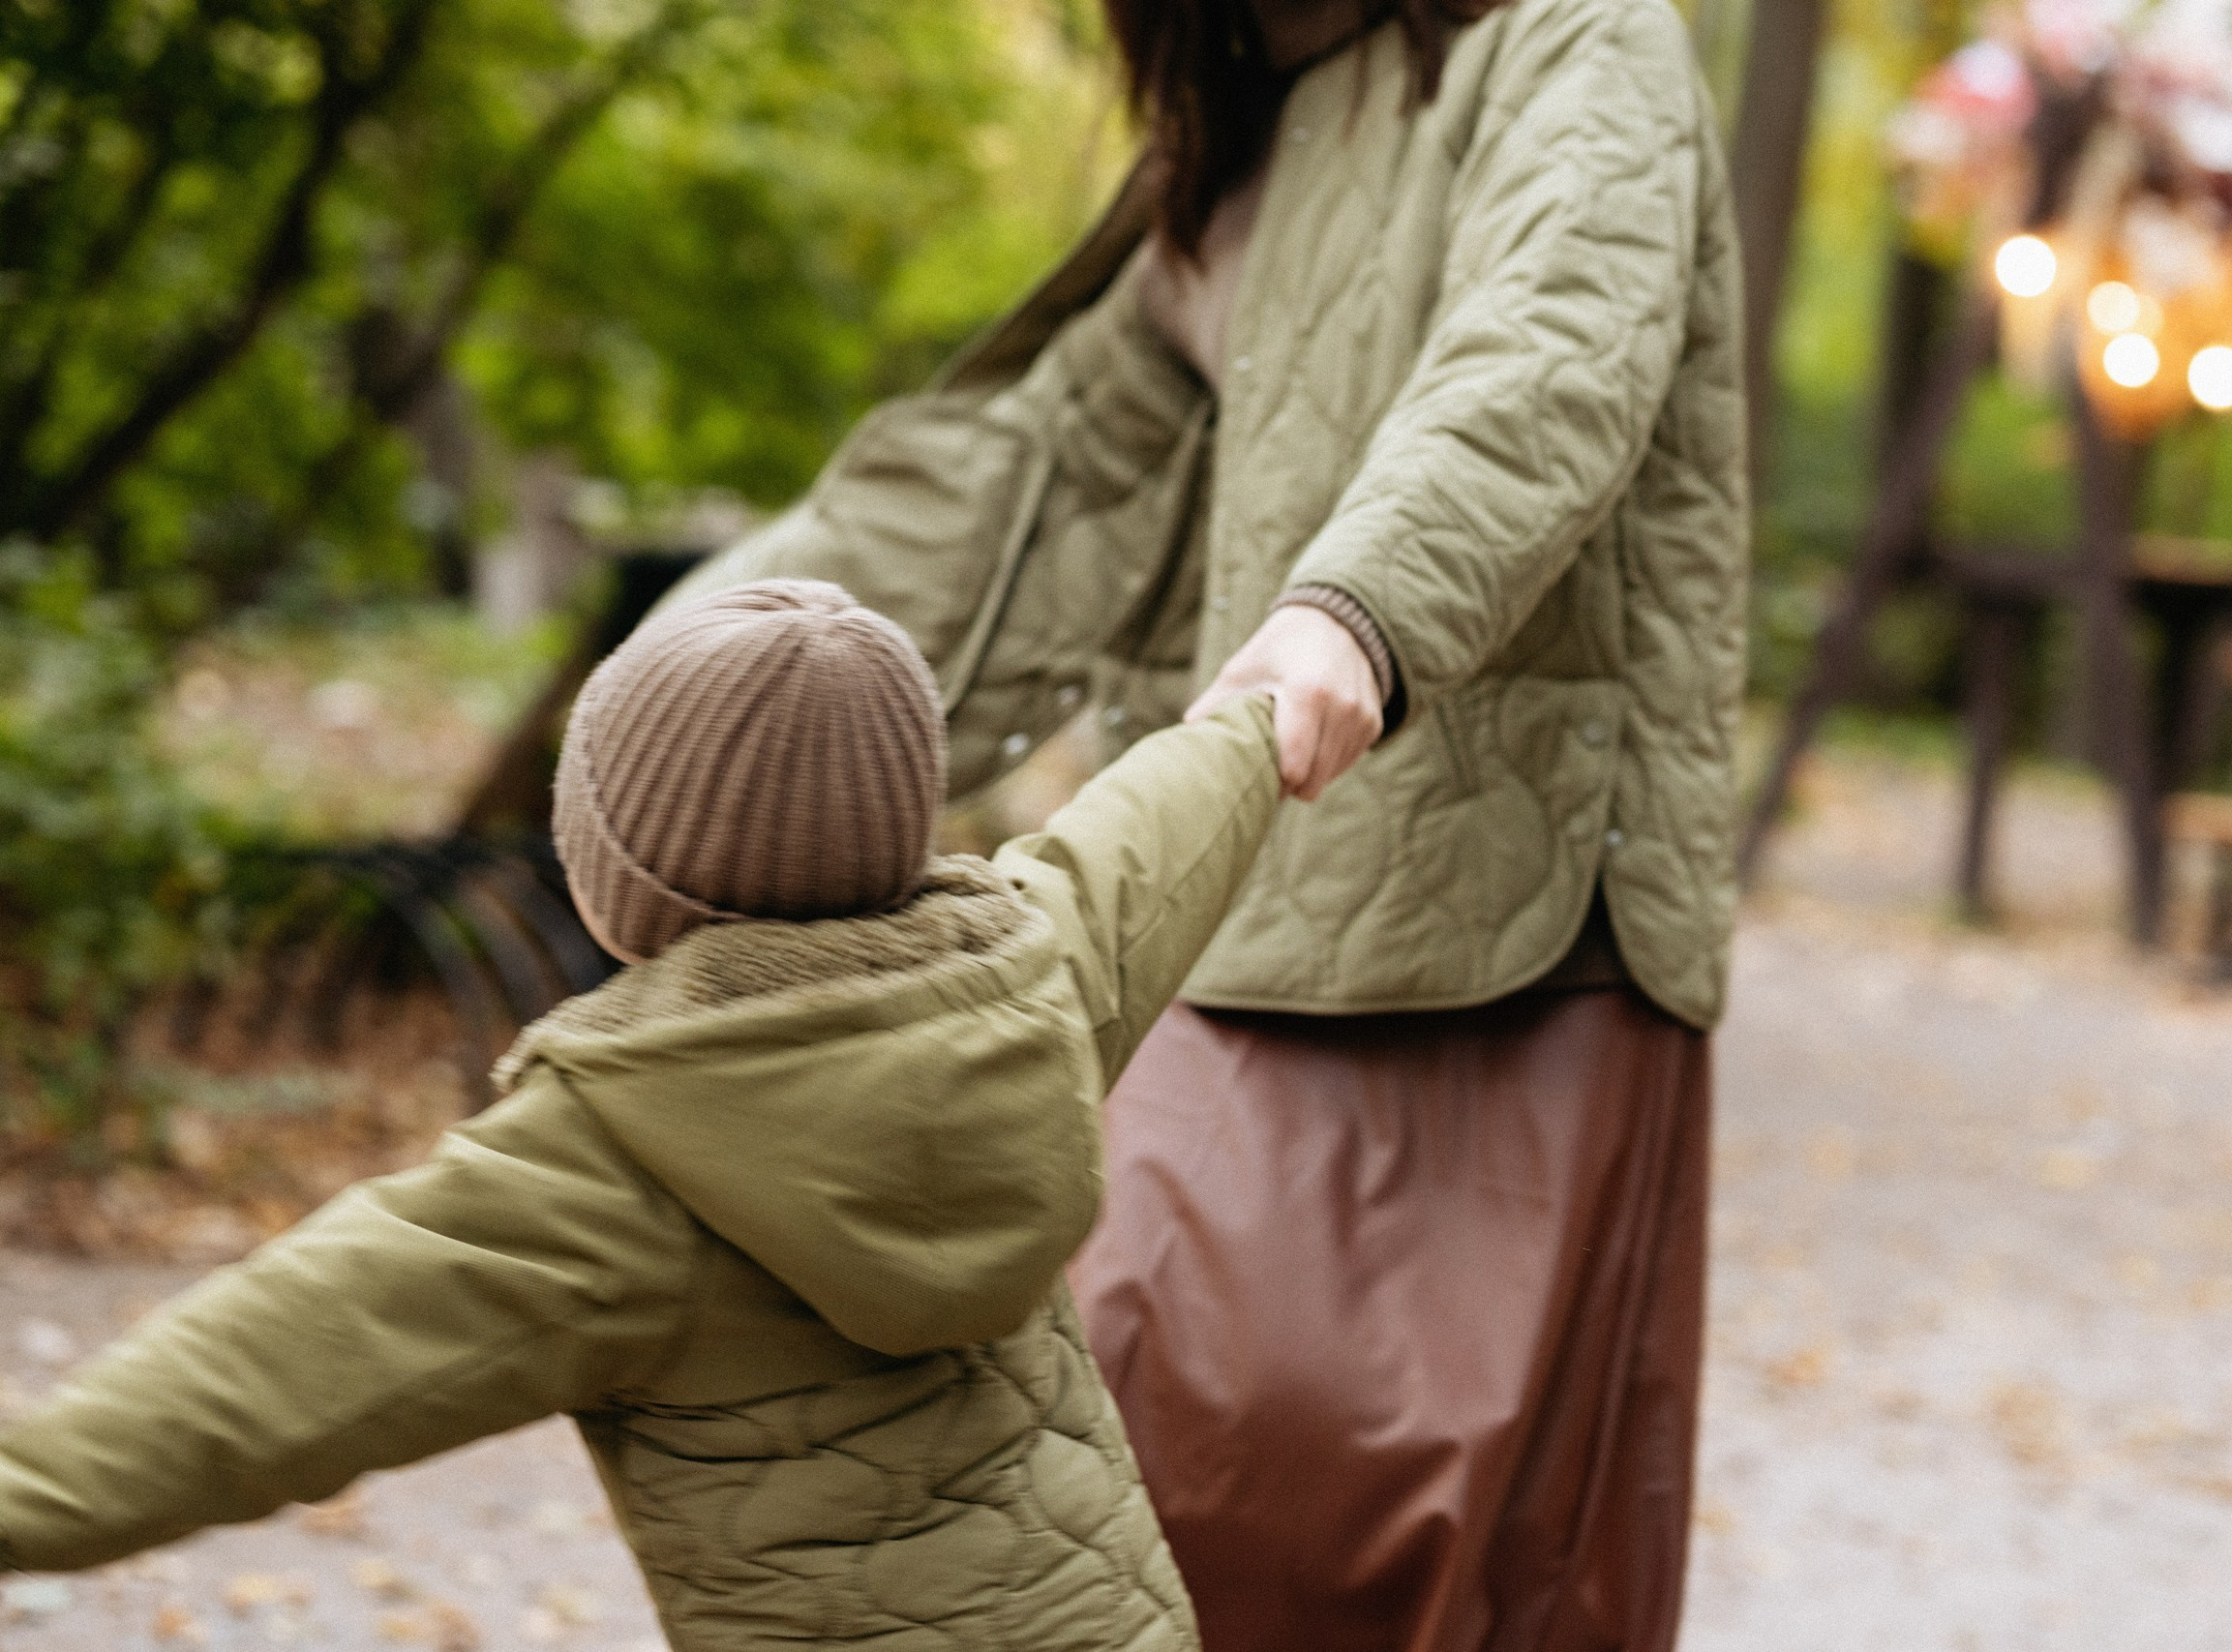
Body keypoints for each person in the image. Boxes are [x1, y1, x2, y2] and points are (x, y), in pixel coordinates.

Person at [670, 2, 1747, 1644]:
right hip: (1229, 913)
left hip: (1521, 947)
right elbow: (1017, 485)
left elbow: (1550, 349)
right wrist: (680, 696)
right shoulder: (1240, 136)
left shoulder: (1574, 35)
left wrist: (1359, 610)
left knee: (1435, 1546)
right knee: (1099, 1470)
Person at [0, 579, 1289, 1652]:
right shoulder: (1026, 980)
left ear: (625, 874)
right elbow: (1156, 834)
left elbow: (261, 1379)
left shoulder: (620, 1158)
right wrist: (1277, 711)